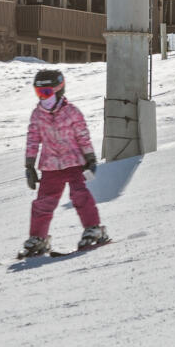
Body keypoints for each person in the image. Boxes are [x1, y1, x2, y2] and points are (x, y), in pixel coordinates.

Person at [20, 68, 109, 259]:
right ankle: (38, 238)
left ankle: (94, 229)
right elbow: (33, 139)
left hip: (74, 163)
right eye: (38, 93)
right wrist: (29, 165)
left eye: (46, 93)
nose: (43, 98)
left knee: (79, 195)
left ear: (59, 90)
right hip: (50, 166)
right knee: (43, 202)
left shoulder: (72, 112)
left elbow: (83, 136)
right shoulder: (37, 115)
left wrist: (90, 158)